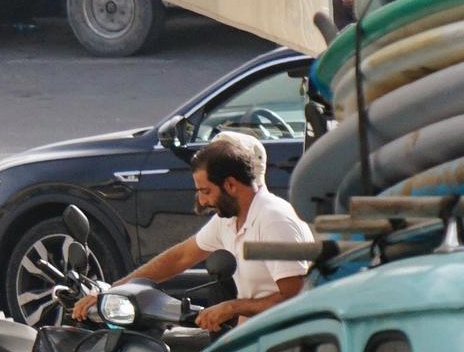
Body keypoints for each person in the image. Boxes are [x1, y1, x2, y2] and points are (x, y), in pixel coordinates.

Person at [76, 130, 312, 338]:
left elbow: (297, 298)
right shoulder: (228, 219)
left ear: (230, 185)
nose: (202, 201)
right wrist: (113, 291)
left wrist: (232, 307)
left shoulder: (273, 220)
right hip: (252, 339)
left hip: (286, 346)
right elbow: (181, 257)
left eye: (206, 191)